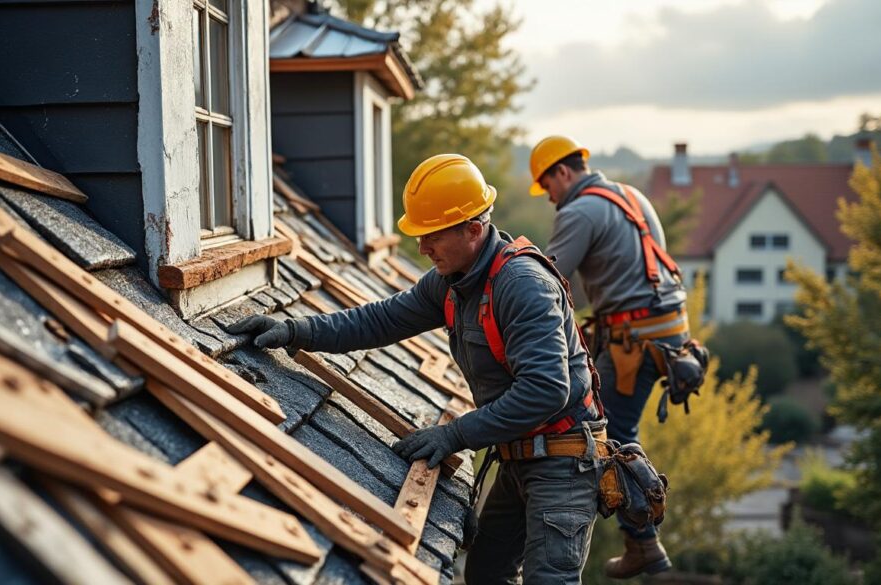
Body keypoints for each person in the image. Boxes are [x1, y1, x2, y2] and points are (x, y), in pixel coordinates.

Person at [232, 153, 607, 584]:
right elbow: (378, 320)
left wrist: (454, 435)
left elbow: (546, 390)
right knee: (486, 575)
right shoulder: (453, 280)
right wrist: (296, 330)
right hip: (518, 457)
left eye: (432, 236)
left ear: (473, 229)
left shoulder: (522, 285)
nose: (422, 247)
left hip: (563, 463)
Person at [529, 135, 688, 578]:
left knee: (606, 437)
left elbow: (545, 286)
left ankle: (643, 544)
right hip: (671, 335)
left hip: (636, 342)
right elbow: (578, 290)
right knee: (618, 427)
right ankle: (641, 542)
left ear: (563, 172)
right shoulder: (629, 195)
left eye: (548, 187)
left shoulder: (579, 211)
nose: (550, 199)